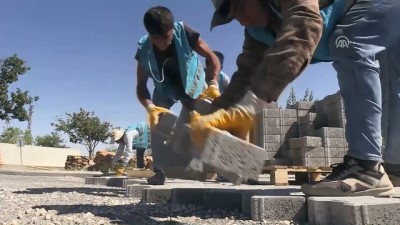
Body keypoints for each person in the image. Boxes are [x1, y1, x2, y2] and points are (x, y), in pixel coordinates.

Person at [190, 0, 400, 196]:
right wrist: (215, 117)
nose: (241, 18)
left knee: (349, 43)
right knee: (388, 81)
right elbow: (246, 74)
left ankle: (365, 168)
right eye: (233, 15)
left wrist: (248, 107)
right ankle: (395, 167)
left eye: (239, 6)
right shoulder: (257, 33)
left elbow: (303, 28)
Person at [135, 6, 222, 184]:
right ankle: (159, 171)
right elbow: (141, 85)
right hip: (164, 89)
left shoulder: (185, 33)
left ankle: (220, 165)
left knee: (208, 115)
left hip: (192, 85)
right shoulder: (143, 49)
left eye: (165, 38)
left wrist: (213, 83)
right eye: (155, 39)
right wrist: (150, 107)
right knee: (157, 123)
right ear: (150, 35)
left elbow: (212, 58)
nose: (161, 44)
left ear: (172, 30)